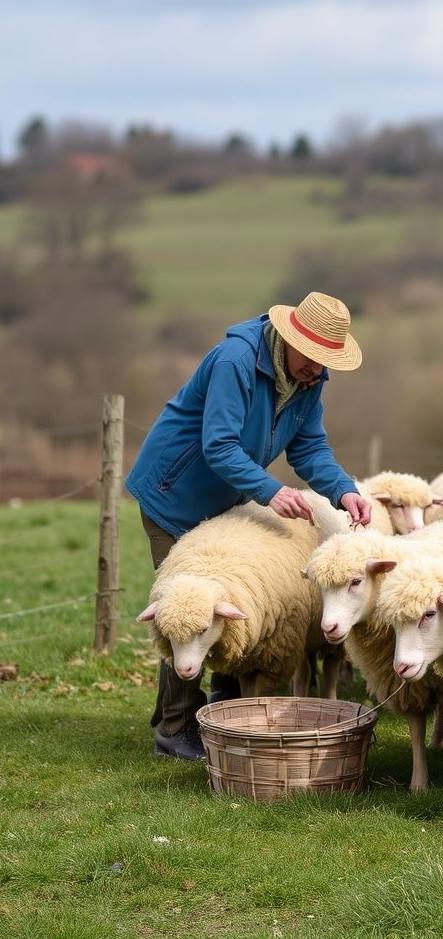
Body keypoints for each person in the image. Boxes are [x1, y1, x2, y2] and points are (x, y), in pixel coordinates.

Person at [126, 291, 371, 760]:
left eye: (327, 363)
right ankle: (175, 729)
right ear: (290, 338)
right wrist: (271, 492)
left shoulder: (309, 378)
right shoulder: (236, 360)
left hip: (225, 502)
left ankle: (225, 707)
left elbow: (309, 447)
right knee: (188, 605)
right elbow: (218, 445)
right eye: (315, 359)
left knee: (230, 605)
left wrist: (345, 490)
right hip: (173, 494)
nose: (319, 371)